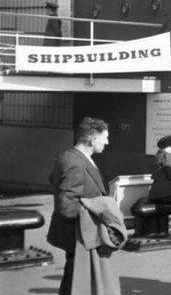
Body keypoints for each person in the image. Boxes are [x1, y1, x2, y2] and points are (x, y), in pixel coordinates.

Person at [47, 117, 112, 295]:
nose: (107, 142)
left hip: (82, 236)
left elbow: (53, 179)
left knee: (74, 280)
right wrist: (100, 214)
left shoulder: (73, 157)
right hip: (80, 235)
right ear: (92, 139)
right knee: (76, 282)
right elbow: (67, 206)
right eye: (105, 137)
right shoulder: (74, 162)